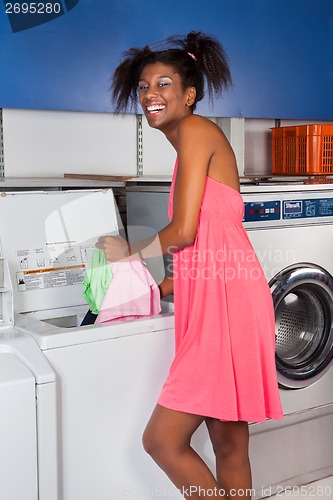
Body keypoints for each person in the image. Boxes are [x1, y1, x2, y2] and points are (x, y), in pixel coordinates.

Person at [97, 31, 283, 500]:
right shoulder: (187, 148)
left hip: (229, 310)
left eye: (163, 84)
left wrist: (128, 251)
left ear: (189, 94)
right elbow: (204, 251)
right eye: (143, 86)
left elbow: (184, 232)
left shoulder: (198, 132)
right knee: (228, 442)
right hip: (226, 300)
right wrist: (157, 287)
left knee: (161, 441)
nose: (150, 95)